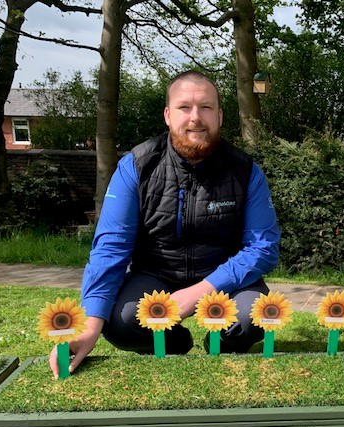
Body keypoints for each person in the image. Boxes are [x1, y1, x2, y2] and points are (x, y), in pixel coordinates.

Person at [49, 70, 280, 379]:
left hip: (225, 281)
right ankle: (177, 344)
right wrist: (90, 324)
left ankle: (220, 344)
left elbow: (264, 248)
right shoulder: (136, 166)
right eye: (185, 107)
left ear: (220, 116)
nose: (196, 117)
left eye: (206, 107)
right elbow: (111, 246)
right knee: (122, 321)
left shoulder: (246, 171)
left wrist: (199, 292)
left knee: (253, 316)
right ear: (168, 116)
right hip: (156, 275)